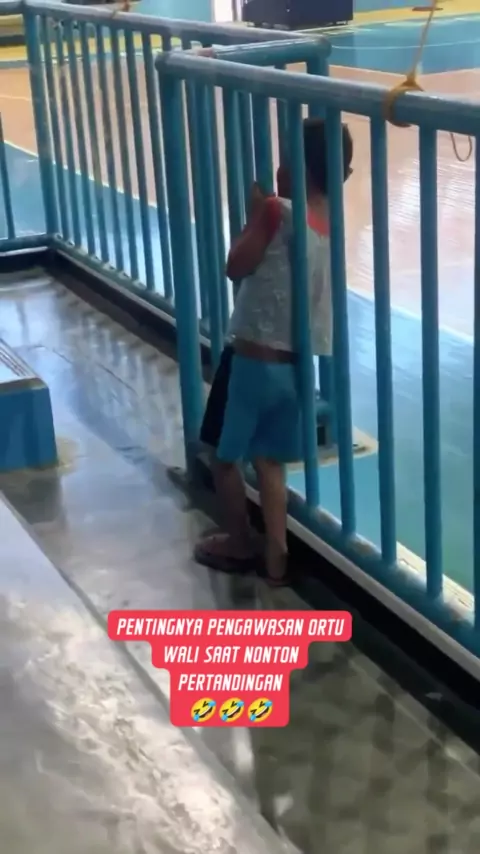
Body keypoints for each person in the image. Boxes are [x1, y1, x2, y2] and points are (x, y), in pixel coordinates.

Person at [194, 117, 353, 587]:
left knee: (223, 456)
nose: (278, 168)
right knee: (270, 462)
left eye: (285, 160)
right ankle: (277, 554)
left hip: (250, 361)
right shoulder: (329, 223)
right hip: (295, 369)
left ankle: (240, 542)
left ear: (298, 169)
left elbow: (235, 265)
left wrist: (255, 213)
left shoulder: (275, 212)